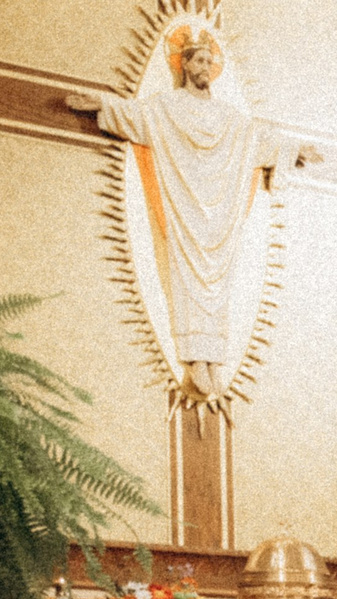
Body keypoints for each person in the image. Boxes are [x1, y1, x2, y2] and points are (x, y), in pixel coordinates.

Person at [67, 27, 323, 399]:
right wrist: (102, 103)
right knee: (186, 278)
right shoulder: (166, 108)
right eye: (199, 60)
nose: (207, 66)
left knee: (218, 285)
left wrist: (295, 148)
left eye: (210, 61)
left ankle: (214, 361)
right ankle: (195, 362)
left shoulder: (229, 117)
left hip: (219, 219)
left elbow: (258, 140)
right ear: (184, 65)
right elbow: (134, 115)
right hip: (184, 212)